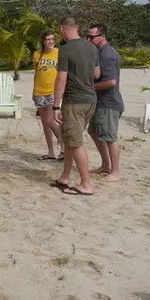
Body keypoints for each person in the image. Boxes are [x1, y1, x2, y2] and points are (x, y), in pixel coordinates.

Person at [50, 16, 100, 196]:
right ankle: (65, 177)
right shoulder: (92, 48)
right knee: (71, 140)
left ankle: (86, 184)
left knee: (76, 143)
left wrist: (56, 106)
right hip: (90, 100)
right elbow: (96, 73)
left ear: (62, 29)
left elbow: (61, 78)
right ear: (77, 28)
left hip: (74, 102)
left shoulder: (65, 50)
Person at [86, 23, 125, 182]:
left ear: (102, 37)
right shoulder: (100, 53)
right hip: (101, 102)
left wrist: (90, 87)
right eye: (87, 36)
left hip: (109, 102)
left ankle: (115, 172)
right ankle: (106, 165)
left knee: (110, 137)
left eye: (91, 37)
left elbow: (111, 82)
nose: (88, 39)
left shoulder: (107, 55)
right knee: (94, 132)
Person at [33, 29, 63, 161]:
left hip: (52, 92)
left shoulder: (59, 53)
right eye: (47, 39)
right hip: (39, 92)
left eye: (52, 39)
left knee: (50, 121)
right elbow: (37, 73)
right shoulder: (37, 54)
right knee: (45, 123)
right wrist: (34, 91)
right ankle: (51, 152)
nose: (50, 42)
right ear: (43, 41)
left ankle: (64, 147)